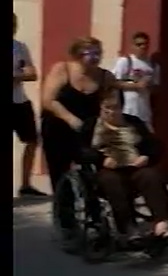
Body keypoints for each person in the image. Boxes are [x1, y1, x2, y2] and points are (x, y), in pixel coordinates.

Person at [80, 91, 168, 241]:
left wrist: (146, 156)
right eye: (107, 108)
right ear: (100, 107)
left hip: (134, 167)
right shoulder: (91, 125)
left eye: (116, 107)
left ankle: (162, 224)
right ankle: (128, 227)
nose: (111, 112)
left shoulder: (134, 122)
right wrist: (101, 159)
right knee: (112, 181)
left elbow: (154, 144)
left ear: (122, 107)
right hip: (108, 170)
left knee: (151, 176)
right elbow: (80, 150)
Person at [40, 37, 118, 195]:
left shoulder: (105, 76)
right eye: (91, 53)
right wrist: (69, 118)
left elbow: (109, 103)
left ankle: (94, 208)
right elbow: (48, 100)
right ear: (78, 54)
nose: (96, 57)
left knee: (92, 166)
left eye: (99, 53)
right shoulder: (62, 69)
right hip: (57, 125)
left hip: (88, 127)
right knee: (59, 171)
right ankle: (63, 210)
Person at [12, 13, 45, 197]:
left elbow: (32, 73)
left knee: (32, 141)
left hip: (19, 100)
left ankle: (26, 185)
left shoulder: (19, 47)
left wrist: (16, 76)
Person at [111, 31, 159, 127]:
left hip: (145, 112)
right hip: (127, 110)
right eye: (139, 44)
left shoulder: (154, 66)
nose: (142, 47)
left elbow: (156, 89)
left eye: (145, 44)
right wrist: (136, 85)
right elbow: (113, 82)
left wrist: (149, 86)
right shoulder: (125, 62)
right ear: (132, 46)